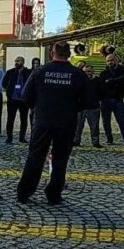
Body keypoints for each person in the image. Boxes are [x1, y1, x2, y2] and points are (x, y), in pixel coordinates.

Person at [17, 41, 87, 205]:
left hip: (43, 121)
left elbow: (26, 96)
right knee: (60, 159)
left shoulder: (40, 72)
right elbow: (87, 101)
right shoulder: (78, 75)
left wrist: (40, 107)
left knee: (35, 156)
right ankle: (54, 195)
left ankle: (24, 192)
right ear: (69, 54)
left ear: (51, 53)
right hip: (66, 122)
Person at [99, 54, 124, 146]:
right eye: (108, 61)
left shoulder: (122, 70)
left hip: (117, 99)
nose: (110, 62)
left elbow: (122, 80)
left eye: (112, 60)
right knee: (106, 121)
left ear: (116, 60)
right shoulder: (104, 73)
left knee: (121, 121)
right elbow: (101, 85)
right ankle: (109, 140)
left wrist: (110, 81)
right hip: (105, 100)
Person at [1, 56, 31, 144]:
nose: (16, 62)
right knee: (10, 118)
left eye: (18, 61)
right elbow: (4, 83)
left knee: (24, 119)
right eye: (15, 61)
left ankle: (22, 137)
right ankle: (9, 137)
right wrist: (9, 91)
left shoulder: (28, 72)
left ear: (22, 62)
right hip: (12, 99)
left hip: (23, 100)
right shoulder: (10, 72)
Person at [74, 65, 103, 147]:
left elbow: (101, 92)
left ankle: (95, 141)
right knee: (78, 126)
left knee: (94, 127)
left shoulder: (97, 81)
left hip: (93, 107)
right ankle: (76, 140)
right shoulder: (79, 81)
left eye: (89, 71)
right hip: (80, 107)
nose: (87, 73)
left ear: (92, 72)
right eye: (85, 71)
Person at [29, 58, 41, 128]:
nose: (36, 65)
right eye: (34, 63)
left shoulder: (41, 71)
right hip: (33, 96)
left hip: (39, 95)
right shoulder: (30, 72)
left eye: (37, 63)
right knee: (32, 112)